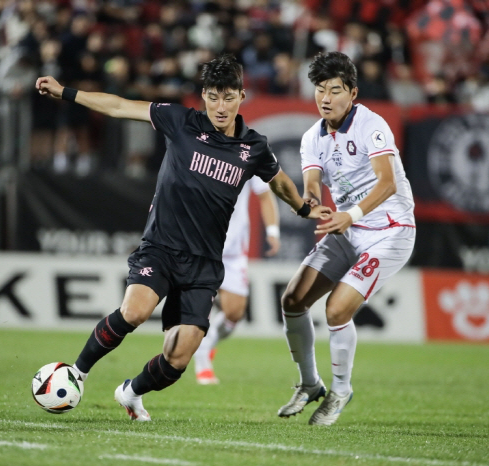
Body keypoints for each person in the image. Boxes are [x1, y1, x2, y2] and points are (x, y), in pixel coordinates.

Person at [35, 54, 331, 421]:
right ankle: (76, 373)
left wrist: (303, 208)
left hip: (204, 263)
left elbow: (279, 181)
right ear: (203, 95)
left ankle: (131, 392)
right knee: (135, 310)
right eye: (212, 96)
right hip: (160, 247)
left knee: (178, 358)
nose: (219, 106)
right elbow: (118, 106)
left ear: (241, 96)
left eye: (227, 97)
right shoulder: (180, 121)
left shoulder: (253, 147)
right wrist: (66, 93)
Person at [277, 51, 416, 426]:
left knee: (337, 310)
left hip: (390, 231)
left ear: (352, 93)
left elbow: (387, 183)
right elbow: (312, 185)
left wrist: (349, 215)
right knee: (292, 300)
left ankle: (340, 389)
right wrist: (308, 205)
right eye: (319, 90)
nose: (325, 98)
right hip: (346, 229)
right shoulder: (312, 137)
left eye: (334, 90)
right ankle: (310, 384)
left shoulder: (372, 125)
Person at [194, 175, 280, 384]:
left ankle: (207, 344)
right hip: (199, 246)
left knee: (234, 313)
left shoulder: (251, 150)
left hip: (233, 251)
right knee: (196, 310)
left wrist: (272, 231)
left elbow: (265, 194)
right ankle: (201, 357)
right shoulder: (202, 147)